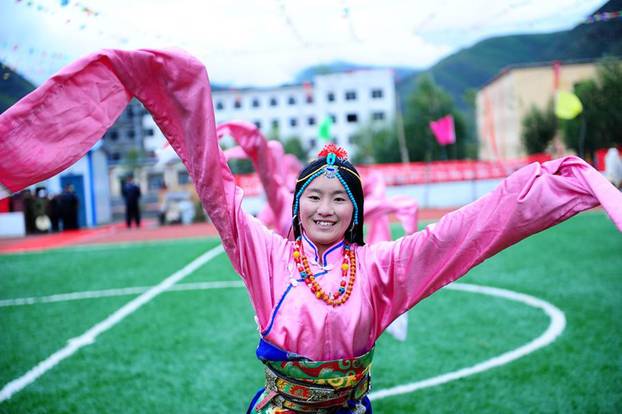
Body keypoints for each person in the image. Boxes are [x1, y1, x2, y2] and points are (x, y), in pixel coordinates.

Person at [0, 49, 620, 413]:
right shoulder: (264, 254)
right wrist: (173, 93)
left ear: (354, 213)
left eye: (338, 200)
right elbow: (219, 195)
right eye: (314, 198)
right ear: (297, 210)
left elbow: (462, 234)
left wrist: (556, 183)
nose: (325, 207)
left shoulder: (381, 268)